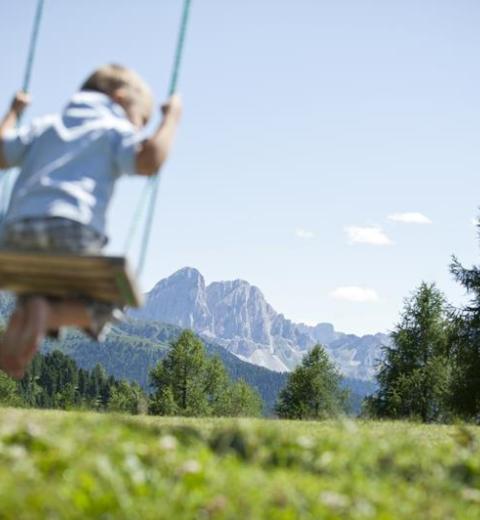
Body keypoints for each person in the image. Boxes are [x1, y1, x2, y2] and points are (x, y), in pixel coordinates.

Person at [0, 64, 182, 379]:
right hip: (74, 231)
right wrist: (171, 119)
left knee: (34, 285)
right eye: (141, 120)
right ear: (120, 98)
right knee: (112, 302)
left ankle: (30, 315)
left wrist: (14, 112)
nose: (138, 129)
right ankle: (47, 316)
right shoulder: (113, 129)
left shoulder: (47, 124)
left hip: (14, 234)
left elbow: (1, 153)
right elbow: (149, 159)